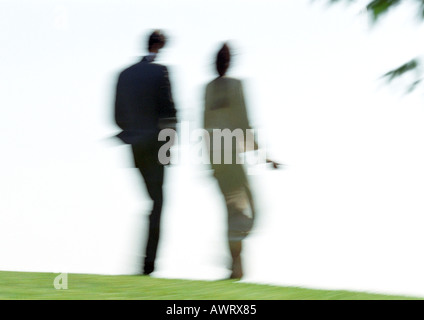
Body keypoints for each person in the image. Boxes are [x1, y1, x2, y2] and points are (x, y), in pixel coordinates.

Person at [203, 43, 279, 279]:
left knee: (232, 211)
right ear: (229, 62)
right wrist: (263, 156)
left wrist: (209, 161)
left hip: (217, 157)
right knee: (252, 209)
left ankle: (235, 266)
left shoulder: (208, 89)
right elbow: (244, 123)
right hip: (231, 158)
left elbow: (204, 126)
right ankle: (236, 251)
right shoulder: (236, 86)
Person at [114, 30, 177, 275]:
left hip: (135, 147)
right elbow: (170, 114)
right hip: (156, 147)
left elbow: (117, 115)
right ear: (160, 45)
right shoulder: (161, 72)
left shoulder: (124, 75)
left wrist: (131, 132)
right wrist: (167, 152)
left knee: (151, 201)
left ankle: (146, 262)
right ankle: (148, 263)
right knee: (158, 203)